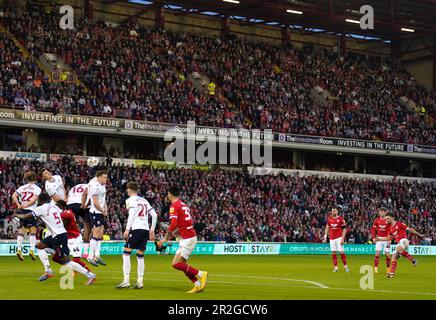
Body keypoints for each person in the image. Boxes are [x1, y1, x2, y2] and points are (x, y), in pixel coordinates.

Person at [12, 194, 96, 285]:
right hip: (55, 235)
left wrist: (16, 214)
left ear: (40, 201)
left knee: (66, 261)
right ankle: (48, 271)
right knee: (39, 246)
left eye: (38, 201)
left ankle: (90, 275)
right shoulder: (55, 207)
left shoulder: (41, 208)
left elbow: (25, 217)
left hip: (59, 236)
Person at [157, 186, 208, 294]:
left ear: (170, 194)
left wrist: (165, 238)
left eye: (167, 194)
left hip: (188, 239)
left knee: (176, 264)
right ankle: (197, 285)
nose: (167, 195)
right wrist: (175, 233)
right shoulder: (183, 205)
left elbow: (174, 223)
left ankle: (201, 274)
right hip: (188, 236)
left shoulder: (174, 206)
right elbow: (185, 223)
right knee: (183, 265)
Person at [116, 182, 157, 289]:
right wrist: (152, 230)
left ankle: (126, 281)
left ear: (129, 190)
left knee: (126, 252)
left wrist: (127, 229)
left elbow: (132, 214)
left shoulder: (130, 200)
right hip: (145, 230)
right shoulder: (144, 200)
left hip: (137, 228)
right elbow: (155, 215)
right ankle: (140, 281)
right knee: (140, 255)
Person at [11, 171, 41, 261]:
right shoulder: (37, 188)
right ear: (35, 178)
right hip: (31, 211)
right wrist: (27, 206)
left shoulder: (22, 187)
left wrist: (19, 205)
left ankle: (19, 249)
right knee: (33, 231)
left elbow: (13, 196)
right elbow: (34, 200)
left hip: (22, 210)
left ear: (26, 179)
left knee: (21, 231)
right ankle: (32, 250)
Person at [87, 170, 108, 266]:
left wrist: (106, 208)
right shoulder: (95, 187)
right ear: (98, 177)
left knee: (100, 233)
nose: (106, 179)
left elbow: (103, 200)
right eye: (104, 177)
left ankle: (97, 255)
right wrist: (102, 210)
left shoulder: (103, 186)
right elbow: (95, 202)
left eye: (106, 177)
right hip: (95, 212)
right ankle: (90, 256)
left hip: (100, 212)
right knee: (95, 233)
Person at [323, 205, 349, 272]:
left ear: (337, 211)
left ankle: (345, 267)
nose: (332, 212)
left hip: (339, 238)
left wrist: (343, 239)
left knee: (341, 252)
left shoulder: (341, 219)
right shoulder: (329, 219)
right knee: (333, 252)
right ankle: (336, 268)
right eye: (332, 211)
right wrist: (325, 236)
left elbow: (345, 230)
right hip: (332, 238)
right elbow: (327, 227)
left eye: (334, 211)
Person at [371, 207, 391, 273]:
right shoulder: (376, 220)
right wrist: (373, 237)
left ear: (385, 213)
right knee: (377, 253)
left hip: (386, 239)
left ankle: (388, 268)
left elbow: (391, 229)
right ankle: (376, 268)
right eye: (380, 212)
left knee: (387, 254)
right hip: (379, 239)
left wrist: (389, 239)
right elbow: (373, 230)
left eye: (382, 212)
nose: (381, 213)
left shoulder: (388, 220)